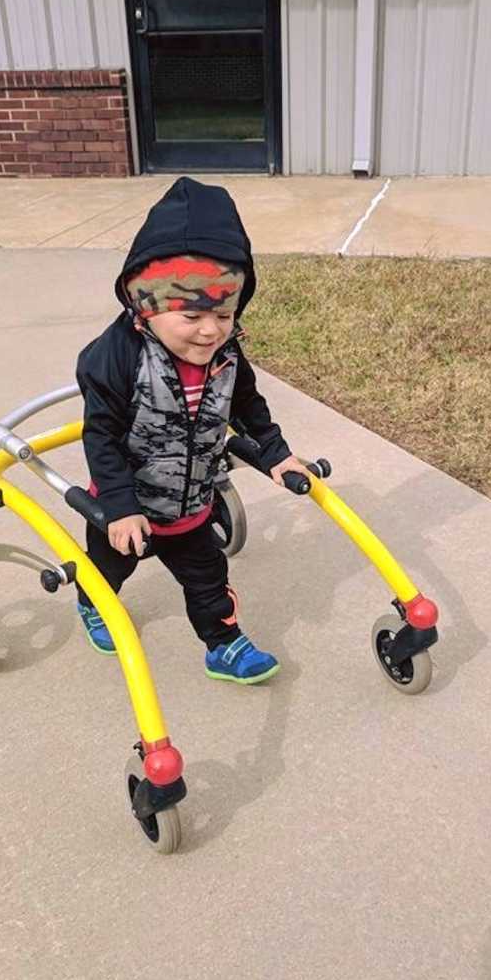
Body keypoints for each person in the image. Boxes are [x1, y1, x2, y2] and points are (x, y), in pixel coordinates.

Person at [74, 176, 310, 685]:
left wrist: (277, 454)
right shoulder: (116, 358)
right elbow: (100, 437)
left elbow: (247, 405)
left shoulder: (224, 355)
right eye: (193, 314)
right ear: (147, 305)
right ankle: (93, 605)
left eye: (225, 313)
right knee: (105, 574)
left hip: (192, 506)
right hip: (128, 506)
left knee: (209, 582)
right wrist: (119, 506)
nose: (211, 330)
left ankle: (223, 645)